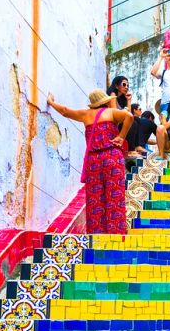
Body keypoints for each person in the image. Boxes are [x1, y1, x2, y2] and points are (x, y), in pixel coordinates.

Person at [47, 89, 133, 234]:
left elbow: (65, 111)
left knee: (95, 198)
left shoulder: (85, 114)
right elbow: (129, 116)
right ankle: (116, 234)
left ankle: (96, 234)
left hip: (94, 160)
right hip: (112, 156)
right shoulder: (111, 112)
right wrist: (121, 136)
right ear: (105, 101)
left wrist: (51, 102)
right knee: (114, 196)